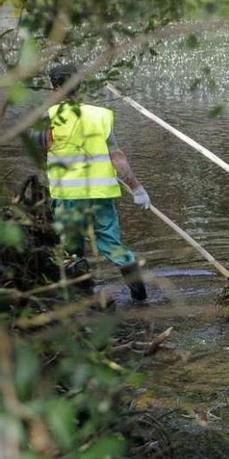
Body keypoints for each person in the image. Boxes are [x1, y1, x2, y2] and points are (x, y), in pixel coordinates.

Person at [35, 63, 151, 302]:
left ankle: (81, 301)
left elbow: (43, 149)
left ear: (54, 87)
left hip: (67, 198)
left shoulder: (49, 118)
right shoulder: (100, 116)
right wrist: (137, 188)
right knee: (114, 246)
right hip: (101, 195)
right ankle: (140, 296)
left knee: (70, 252)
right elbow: (117, 157)